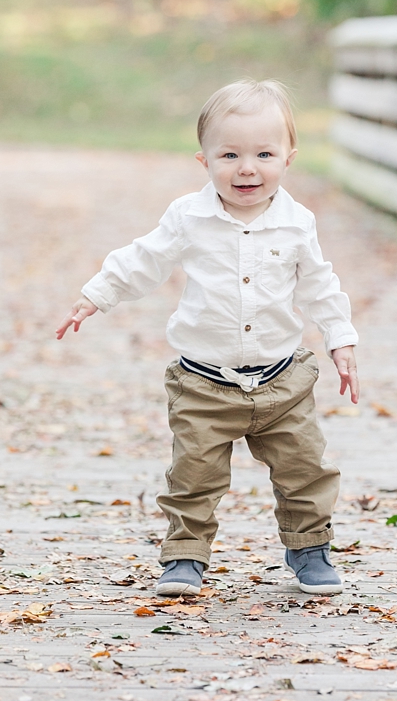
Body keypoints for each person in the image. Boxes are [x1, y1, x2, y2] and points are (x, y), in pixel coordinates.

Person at [56, 79, 359, 597]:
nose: (247, 167)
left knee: (305, 469)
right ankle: (184, 557)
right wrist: (97, 294)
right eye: (230, 154)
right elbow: (144, 258)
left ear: (288, 158)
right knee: (193, 477)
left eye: (264, 153)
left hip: (281, 380)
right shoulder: (188, 217)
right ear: (204, 161)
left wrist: (340, 338)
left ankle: (309, 549)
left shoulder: (296, 224)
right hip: (204, 383)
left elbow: (318, 284)